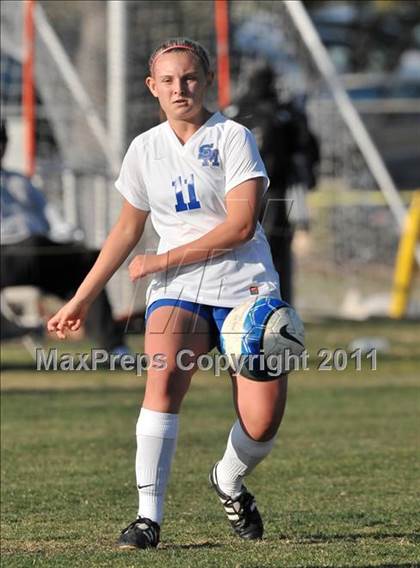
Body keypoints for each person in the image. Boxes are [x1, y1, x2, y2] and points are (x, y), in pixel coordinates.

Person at [47, 38, 288, 549]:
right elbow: (124, 232)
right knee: (162, 384)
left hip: (247, 289)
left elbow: (243, 226)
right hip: (178, 291)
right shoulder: (144, 149)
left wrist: (161, 259)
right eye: (169, 80)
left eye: (190, 78)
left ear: (206, 81)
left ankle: (227, 479)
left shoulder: (233, 137)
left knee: (262, 423)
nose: (181, 88)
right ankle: (147, 518)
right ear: (152, 87)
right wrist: (82, 299)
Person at [0, 120, 129, 355]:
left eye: (2, 141)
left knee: (88, 264)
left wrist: (68, 236)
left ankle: (113, 347)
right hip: (6, 253)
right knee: (31, 245)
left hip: (38, 249)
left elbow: (50, 216)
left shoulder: (19, 181)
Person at [226, 64, 320, 304]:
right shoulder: (272, 113)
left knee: (261, 249)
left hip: (256, 191)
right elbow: (305, 148)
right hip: (262, 191)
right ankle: (265, 302)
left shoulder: (238, 111)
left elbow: (304, 148)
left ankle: (268, 303)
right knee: (264, 250)